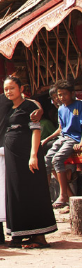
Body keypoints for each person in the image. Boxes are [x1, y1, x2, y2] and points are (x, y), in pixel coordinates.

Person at [0, 68, 43, 246]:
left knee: (9, 194)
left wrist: (40, 110)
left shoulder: (3, 99)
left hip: (6, 154)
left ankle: (17, 233)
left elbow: (28, 103)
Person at [3, 75, 56, 248]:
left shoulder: (30, 106)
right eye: (6, 89)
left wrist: (34, 155)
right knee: (17, 191)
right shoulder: (9, 108)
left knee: (33, 190)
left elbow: (35, 130)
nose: (8, 91)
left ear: (21, 89)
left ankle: (40, 237)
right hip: (13, 158)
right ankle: (23, 233)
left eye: (11, 88)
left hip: (28, 154)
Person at [43, 80, 81, 208]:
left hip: (74, 138)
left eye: (64, 94)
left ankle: (63, 195)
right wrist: (46, 139)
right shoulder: (61, 109)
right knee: (47, 159)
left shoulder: (79, 105)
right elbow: (61, 129)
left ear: (72, 93)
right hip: (63, 138)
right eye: (59, 95)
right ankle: (46, 195)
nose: (61, 97)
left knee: (57, 159)